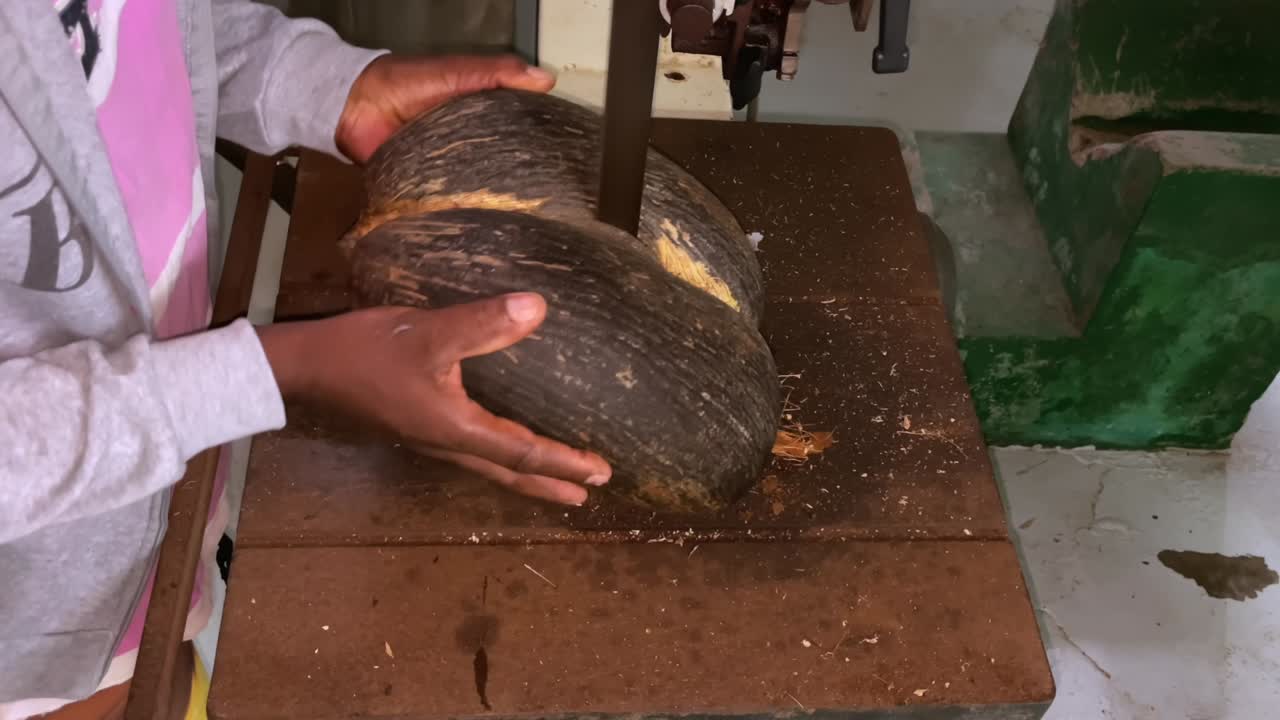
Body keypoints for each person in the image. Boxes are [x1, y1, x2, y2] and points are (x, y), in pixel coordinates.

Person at [0, 1, 612, 717]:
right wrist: (276, 371)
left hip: (160, 482)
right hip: (34, 604)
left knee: (164, 673)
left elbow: (136, 37)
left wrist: (322, 84)